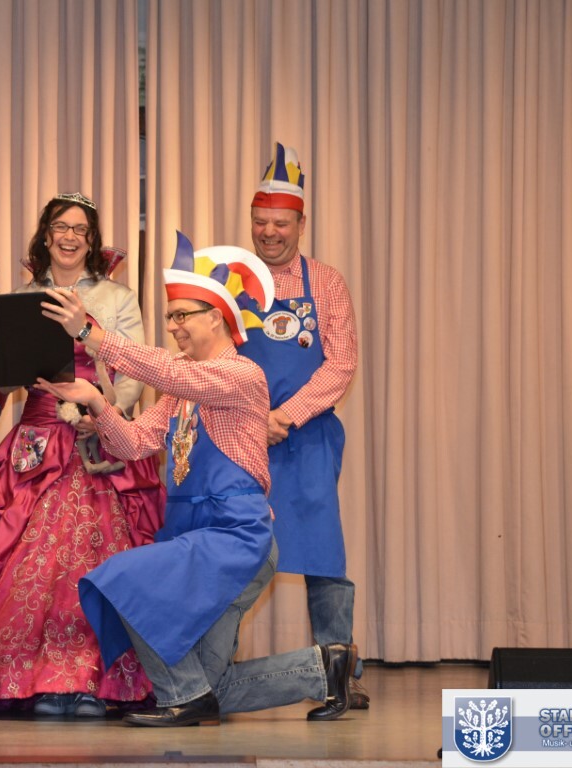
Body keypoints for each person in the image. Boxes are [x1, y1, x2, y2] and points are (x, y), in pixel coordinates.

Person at [36, 232, 357, 727]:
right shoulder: (183, 387)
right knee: (208, 685)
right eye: (170, 317)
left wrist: (91, 335)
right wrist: (98, 403)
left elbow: (172, 373)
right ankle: (323, 668)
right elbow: (133, 443)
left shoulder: (241, 376)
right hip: (197, 538)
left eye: (182, 315)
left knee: (125, 583)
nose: (173, 326)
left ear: (217, 317)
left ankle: (182, 696)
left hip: (236, 539)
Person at [0, 193, 166, 716]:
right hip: (37, 440)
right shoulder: (22, 297)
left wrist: (101, 412)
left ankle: (90, 680)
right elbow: (4, 365)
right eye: (61, 226)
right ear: (46, 235)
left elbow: (135, 369)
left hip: (97, 436)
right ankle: (27, 680)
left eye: (80, 229)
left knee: (91, 558)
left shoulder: (117, 298)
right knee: (25, 560)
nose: (69, 237)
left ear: (92, 239)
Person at [243, 144, 366, 717]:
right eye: (261, 222)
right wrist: (253, 418)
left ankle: (339, 674)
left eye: (281, 223)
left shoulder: (327, 282)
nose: (269, 233)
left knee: (323, 555)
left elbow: (341, 363)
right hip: (241, 439)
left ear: (301, 223)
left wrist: (286, 416)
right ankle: (210, 669)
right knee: (236, 548)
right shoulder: (230, 280)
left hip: (307, 435)